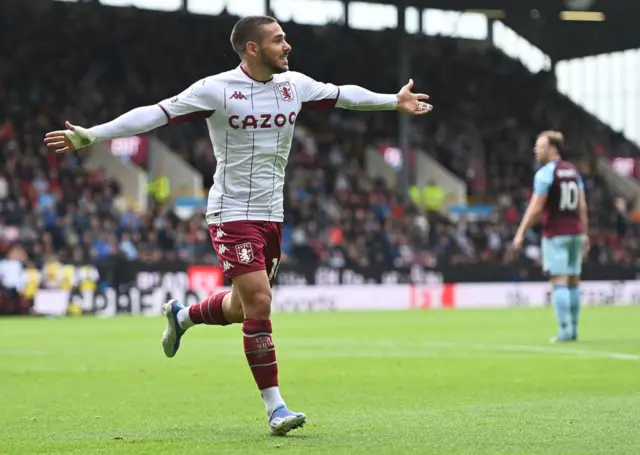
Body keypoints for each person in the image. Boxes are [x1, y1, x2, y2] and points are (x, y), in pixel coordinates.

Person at [44, 15, 433, 435]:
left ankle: (184, 316)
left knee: (242, 305)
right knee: (261, 303)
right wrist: (94, 135)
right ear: (252, 48)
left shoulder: (294, 85)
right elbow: (154, 115)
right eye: (278, 40)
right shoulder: (216, 89)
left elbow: (345, 96)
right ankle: (276, 408)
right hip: (231, 214)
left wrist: (392, 101)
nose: (287, 46)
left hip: (272, 215)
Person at [513, 131, 589, 343]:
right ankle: (573, 328)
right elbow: (582, 205)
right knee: (573, 280)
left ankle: (564, 330)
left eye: (540, 146)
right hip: (575, 232)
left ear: (552, 148)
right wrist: (585, 233)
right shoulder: (573, 171)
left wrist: (521, 231)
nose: (536, 150)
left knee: (559, 281)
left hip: (556, 233)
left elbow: (536, 208)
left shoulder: (546, 173)